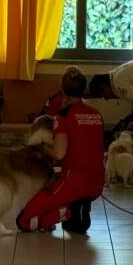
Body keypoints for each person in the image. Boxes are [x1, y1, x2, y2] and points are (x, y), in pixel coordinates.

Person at [17, 67, 105, 234]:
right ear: (83, 89)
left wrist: (42, 146)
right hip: (98, 183)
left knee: (23, 221)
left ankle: (66, 211)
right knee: (70, 215)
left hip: (74, 181)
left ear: (62, 90)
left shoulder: (63, 116)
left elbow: (59, 153)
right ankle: (75, 208)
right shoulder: (96, 114)